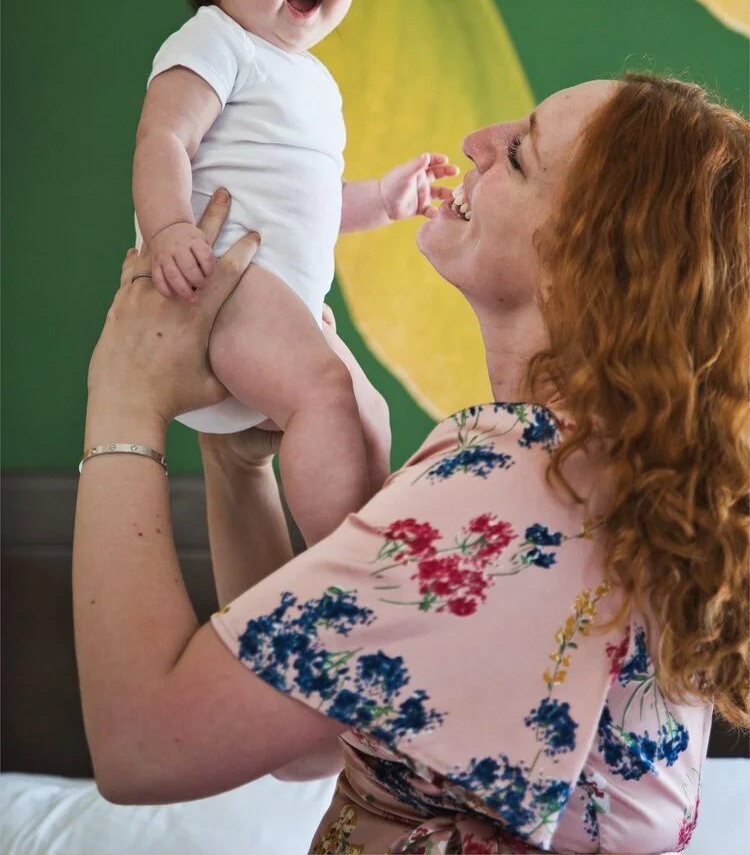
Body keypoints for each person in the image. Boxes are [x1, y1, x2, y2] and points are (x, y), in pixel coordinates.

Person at [75, 74, 749, 854]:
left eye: (520, 155)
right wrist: (239, 468)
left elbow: (141, 742)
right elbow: (309, 740)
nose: (475, 143)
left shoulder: (510, 496)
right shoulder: (609, 482)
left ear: (586, 268)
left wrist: (123, 398)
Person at [131, 0, 457, 545]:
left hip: (276, 303)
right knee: (327, 393)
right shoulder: (217, 42)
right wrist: (169, 229)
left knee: (367, 412)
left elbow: (304, 203)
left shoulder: (311, 80)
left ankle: (365, 561)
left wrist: (382, 198)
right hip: (219, 292)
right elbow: (161, 139)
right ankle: (340, 576)